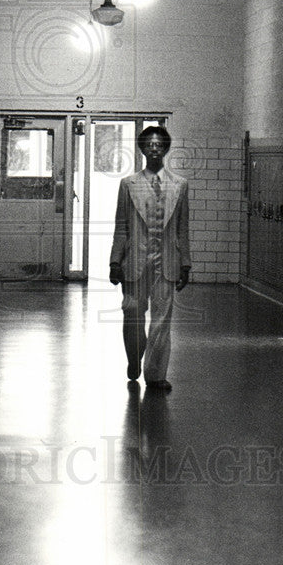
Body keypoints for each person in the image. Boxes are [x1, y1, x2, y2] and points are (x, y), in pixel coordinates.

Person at [109, 126, 191, 391]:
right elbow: (121, 226)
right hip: (134, 261)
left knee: (161, 322)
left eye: (159, 145)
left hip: (166, 262)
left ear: (165, 149)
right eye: (149, 145)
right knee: (132, 312)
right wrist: (114, 262)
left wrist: (186, 263)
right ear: (142, 149)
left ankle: (155, 376)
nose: (154, 149)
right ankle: (134, 358)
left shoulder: (179, 185)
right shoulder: (128, 184)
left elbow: (182, 228)